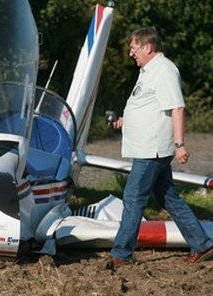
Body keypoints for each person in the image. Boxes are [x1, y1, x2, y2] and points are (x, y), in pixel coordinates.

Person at [107, 27, 213, 269]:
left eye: (134, 48)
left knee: (133, 198)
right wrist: (125, 121)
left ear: (148, 47)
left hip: (151, 151)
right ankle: (203, 244)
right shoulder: (148, 71)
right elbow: (150, 107)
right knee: (170, 199)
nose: (131, 52)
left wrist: (179, 144)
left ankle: (121, 254)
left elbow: (177, 107)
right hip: (147, 148)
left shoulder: (164, 70)